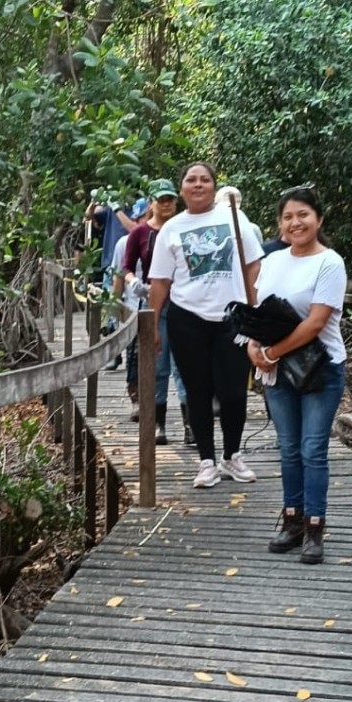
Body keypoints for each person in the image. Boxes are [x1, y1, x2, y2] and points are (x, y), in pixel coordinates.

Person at [247, 186, 347, 564]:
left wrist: (270, 352)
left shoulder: (330, 263)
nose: (296, 222)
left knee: (312, 450)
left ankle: (315, 528)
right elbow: (259, 312)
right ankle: (292, 521)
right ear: (280, 224)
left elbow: (316, 322)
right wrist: (252, 346)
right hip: (277, 372)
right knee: (288, 448)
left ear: (319, 219)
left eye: (303, 214)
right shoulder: (272, 261)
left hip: (320, 369)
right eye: (288, 217)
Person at [148, 162, 264, 488]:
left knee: (233, 391)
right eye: (191, 179)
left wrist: (256, 313)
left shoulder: (234, 218)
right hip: (187, 318)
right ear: (182, 188)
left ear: (214, 186)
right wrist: (152, 324)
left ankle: (231, 455)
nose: (198, 184)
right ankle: (206, 461)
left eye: (205, 179)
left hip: (232, 318)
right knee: (197, 391)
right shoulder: (172, 229)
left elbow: (254, 267)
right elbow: (160, 281)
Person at [118, 179, 193, 446]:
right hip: (155, 302)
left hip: (185, 304)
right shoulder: (139, 233)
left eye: (170, 199)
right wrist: (134, 284)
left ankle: (190, 426)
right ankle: (159, 424)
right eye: (161, 199)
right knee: (159, 367)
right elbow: (126, 267)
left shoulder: (185, 228)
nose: (166, 204)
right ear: (151, 202)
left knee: (184, 365)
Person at [105, 198, 150, 376]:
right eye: (143, 217)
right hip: (133, 308)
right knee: (135, 360)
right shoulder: (124, 243)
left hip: (159, 307)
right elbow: (119, 277)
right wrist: (114, 313)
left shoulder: (164, 237)